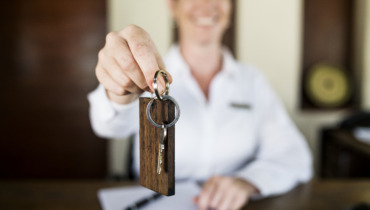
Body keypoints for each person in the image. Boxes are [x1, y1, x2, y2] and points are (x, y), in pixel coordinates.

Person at [88, 0, 312, 209]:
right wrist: (121, 89)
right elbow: (108, 125)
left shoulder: (253, 82)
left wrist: (247, 182)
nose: (207, 5)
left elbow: (295, 157)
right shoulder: (145, 74)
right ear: (173, 6)